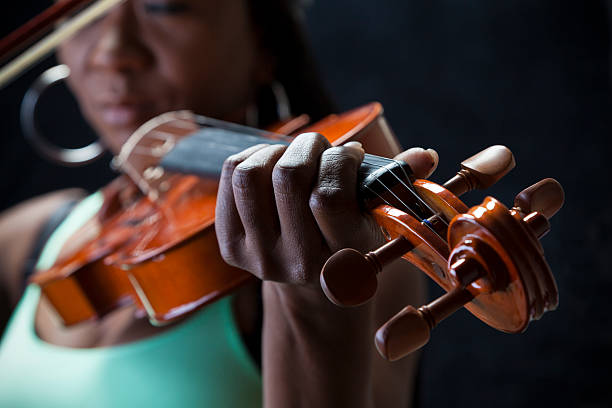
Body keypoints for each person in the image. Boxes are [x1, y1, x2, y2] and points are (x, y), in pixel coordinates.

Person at [0, 0, 439, 406]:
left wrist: (312, 303)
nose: (112, 52)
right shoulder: (30, 241)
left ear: (265, 44)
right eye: (87, 12)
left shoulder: (356, 242)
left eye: (165, 6)